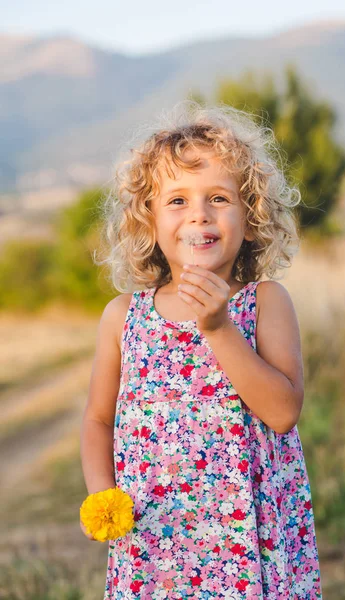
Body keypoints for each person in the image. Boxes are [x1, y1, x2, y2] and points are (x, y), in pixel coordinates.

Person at [80, 100, 323, 599]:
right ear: (147, 222)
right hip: (155, 545)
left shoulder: (265, 304)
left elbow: (282, 412)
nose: (199, 214)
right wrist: (102, 493)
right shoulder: (123, 317)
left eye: (218, 198)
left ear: (251, 218)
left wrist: (218, 329)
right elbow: (98, 419)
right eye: (177, 201)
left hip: (246, 548)